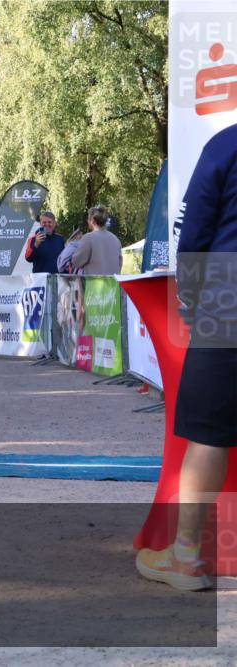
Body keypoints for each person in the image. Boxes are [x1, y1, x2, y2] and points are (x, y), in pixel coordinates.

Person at [136, 123, 236, 592]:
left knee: (208, 436)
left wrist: (191, 303)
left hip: (228, 300)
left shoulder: (226, 144)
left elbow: (193, 232)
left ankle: (185, 558)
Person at [71, 205, 122, 275]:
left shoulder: (88, 238)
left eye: (88, 219)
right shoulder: (116, 240)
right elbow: (119, 264)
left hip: (93, 284)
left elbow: (76, 262)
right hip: (112, 284)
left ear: (92, 221)